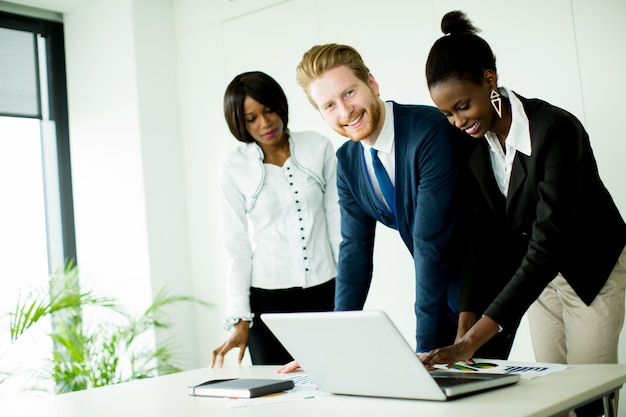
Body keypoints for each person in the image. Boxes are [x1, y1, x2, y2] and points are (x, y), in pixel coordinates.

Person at [421, 11, 626, 417]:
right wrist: (466, 320)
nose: (458, 122)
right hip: (540, 281)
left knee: (587, 397)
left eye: (463, 106)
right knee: (549, 396)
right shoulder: (474, 141)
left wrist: (472, 342)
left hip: (591, 272)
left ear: (490, 81)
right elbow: (480, 233)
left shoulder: (555, 130)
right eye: (448, 114)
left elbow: (550, 239)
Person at [277, 43, 467, 374]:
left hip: (485, 291)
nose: (345, 111)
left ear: (372, 84)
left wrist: (422, 351)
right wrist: (333, 344)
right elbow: (354, 252)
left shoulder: (428, 131)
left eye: (350, 92)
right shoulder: (348, 162)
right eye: (329, 105)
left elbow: (429, 243)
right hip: (440, 295)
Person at [210, 71, 341, 367]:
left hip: (325, 292)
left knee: (333, 384)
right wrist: (241, 318)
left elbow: (338, 227)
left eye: (268, 110)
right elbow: (236, 248)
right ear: (240, 123)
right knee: (275, 393)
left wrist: (347, 299)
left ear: (280, 105)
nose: (265, 123)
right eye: (251, 118)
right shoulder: (233, 167)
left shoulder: (317, 147)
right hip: (268, 304)